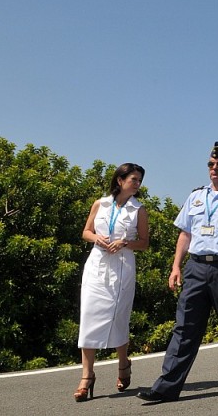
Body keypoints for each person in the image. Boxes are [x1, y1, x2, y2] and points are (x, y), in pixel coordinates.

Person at [137, 142, 218, 402]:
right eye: (211, 165)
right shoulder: (195, 196)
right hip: (196, 267)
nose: (215, 169)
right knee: (185, 327)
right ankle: (166, 387)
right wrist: (175, 266)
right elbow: (185, 233)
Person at [74, 163, 149, 402]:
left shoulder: (139, 209)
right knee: (89, 315)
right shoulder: (101, 203)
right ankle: (87, 376)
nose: (137, 184)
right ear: (120, 180)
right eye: (134, 179)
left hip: (122, 267)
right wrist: (97, 237)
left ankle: (123, 364)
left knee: (118, 316)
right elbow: (86, 231)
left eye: (139, 180)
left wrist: (125, 243)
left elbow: (144, 242)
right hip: (97, 265)